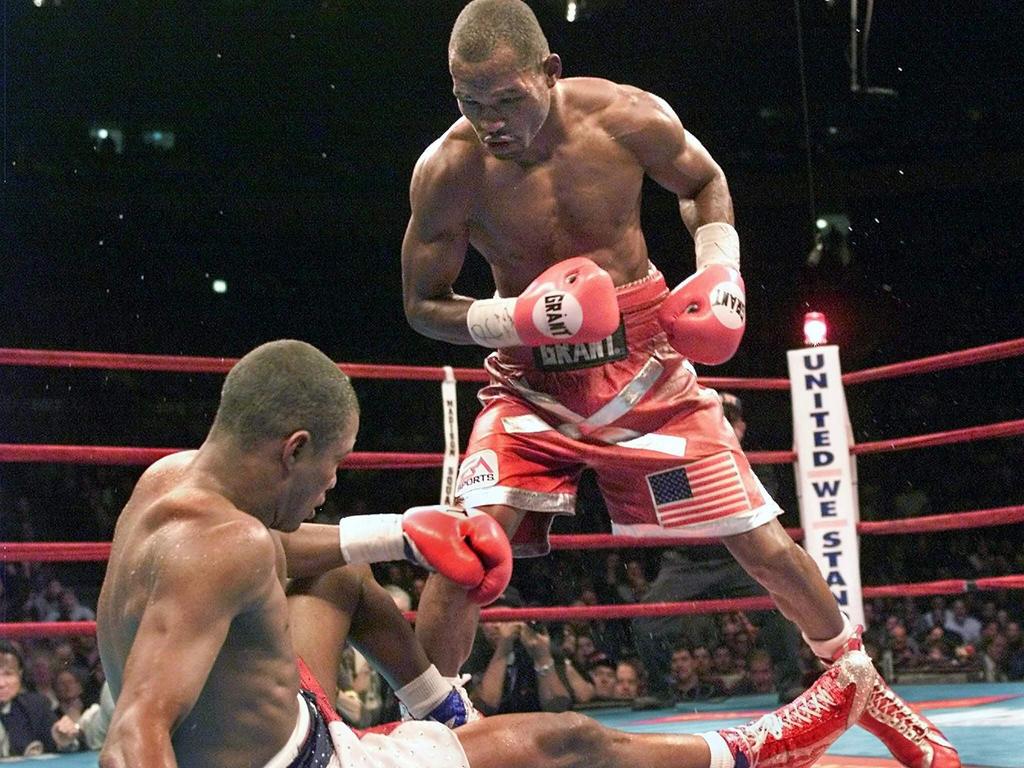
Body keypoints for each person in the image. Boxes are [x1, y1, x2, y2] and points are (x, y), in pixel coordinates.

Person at [401, 3, 959, 766]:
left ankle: (857, 679)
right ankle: (428, 733)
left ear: (550, 73)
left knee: (759, 541)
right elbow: (423, 305)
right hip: (528, 382)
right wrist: (519, 317)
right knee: (466, 551)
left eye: (507, 100)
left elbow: (703, 181)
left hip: (645, 365)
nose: (489, 121)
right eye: (471, 101)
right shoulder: (449, 170)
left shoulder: (626, 117)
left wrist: (720, 270)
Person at [96, 339, 876, 768]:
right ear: (293, 449)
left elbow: (267, 549)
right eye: (331, 469)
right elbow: (132, 738)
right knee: (566, 742)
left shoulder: (170, 485)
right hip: (309, 766)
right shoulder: (224, 545)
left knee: (337, 568)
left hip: (287, 724)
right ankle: (759, 750)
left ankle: (441, 710)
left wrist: (400, 530)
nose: (330, 488)